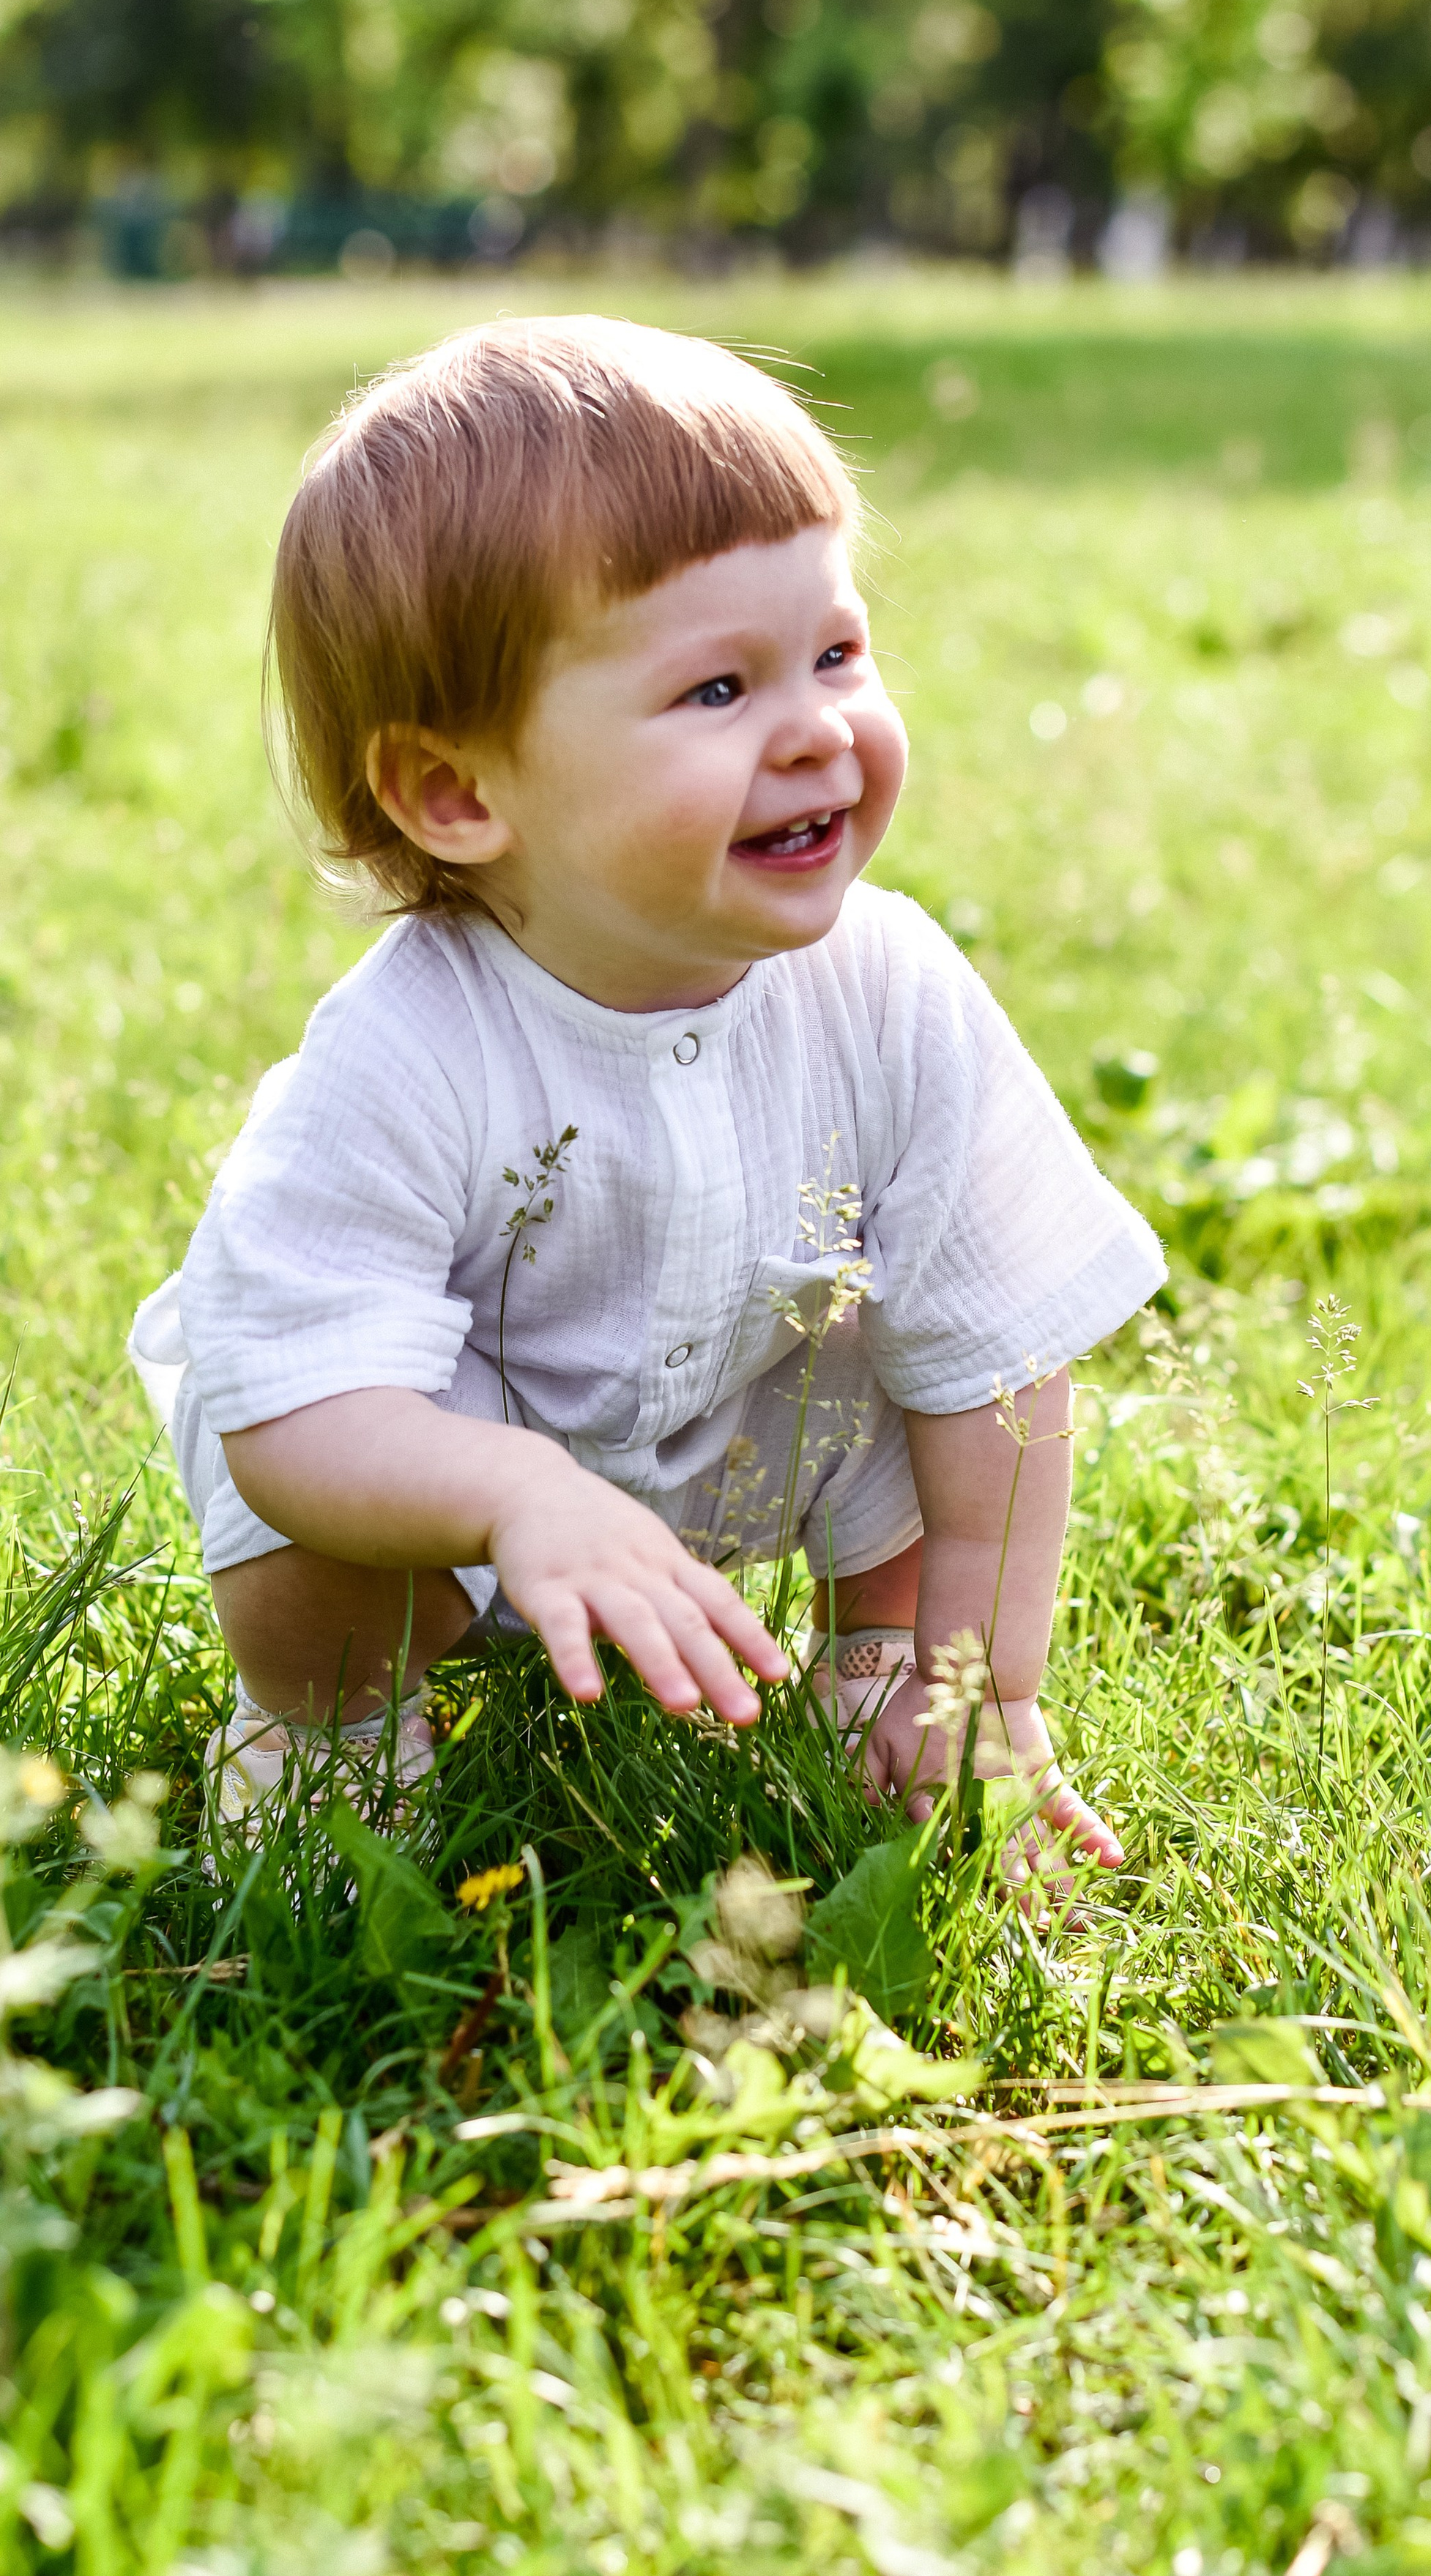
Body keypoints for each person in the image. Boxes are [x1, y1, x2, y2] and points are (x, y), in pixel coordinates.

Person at [130, 315, 1164, 1904]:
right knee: (293, 1544)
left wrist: (988, 1683)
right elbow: (296, 1407)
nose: (817, 727)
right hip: (446, 1474)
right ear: (460, 795)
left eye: (834, 653)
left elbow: (1000, 1357)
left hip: (753, 1426)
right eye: (715, 688)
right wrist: (513, 1496)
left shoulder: (888, 990)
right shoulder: (405, 1053)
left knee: (912, 1373)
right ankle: (331, 1743)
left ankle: (880, 1680)